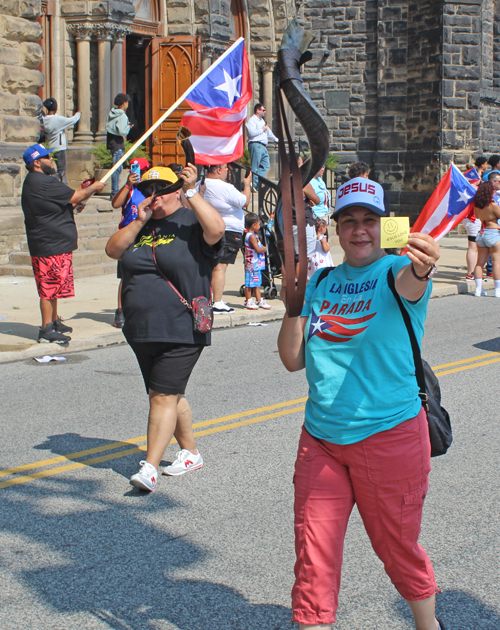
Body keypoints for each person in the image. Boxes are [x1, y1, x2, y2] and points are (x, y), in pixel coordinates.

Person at [277, 177, 444, 630]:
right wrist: (293, 305)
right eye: (348, 220)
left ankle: (428, 625)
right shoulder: (323, 281)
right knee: (313, 555)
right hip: (322, 439)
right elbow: (293, 360)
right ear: (336, 229)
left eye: (369, 219)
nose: (359, 230)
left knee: (396, 548)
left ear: (385, 225)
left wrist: (424, 267)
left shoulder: (394, 272)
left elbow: (413, 282)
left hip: (389, 435)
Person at [105, 164, 225, 492]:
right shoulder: (140, 224)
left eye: (160, 188)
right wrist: (138, 220)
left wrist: (191, 192)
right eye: (148, 189)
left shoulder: (191, 222)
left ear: (174, 191)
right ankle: (190, 452)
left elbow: (217, 229)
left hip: (182, 326)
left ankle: (150, 467)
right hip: (141, 328)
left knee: (161, 395)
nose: (153, 195)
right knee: (168, 393)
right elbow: (113, 250)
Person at [21, 144, 105, 343]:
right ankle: (46, 328)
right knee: (48, 288)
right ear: (37, 162)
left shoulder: (37, 181)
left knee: (55, 286)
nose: (52, 160)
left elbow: (65, 203)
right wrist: (94, 188)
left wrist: (78, 202)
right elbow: (76, 195)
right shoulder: (42, 181)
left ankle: (54, 321)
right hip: (48, 244)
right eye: (47, 157)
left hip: (54, 242)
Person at [196, 163, 252, 314]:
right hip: (228, 230)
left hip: (207, 229)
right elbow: (245, 201)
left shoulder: (198, 186)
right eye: (226, 168)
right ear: (219, 170)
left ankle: (208, 298)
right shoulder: (225, 187)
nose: (228, 171)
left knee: (209, 266)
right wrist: (247, 185)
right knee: (220, 266)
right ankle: (217, 302)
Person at [110, 157, 150, 328]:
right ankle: (120, 311)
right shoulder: (130, 190)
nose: (137, 174)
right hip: (128, 235)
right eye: (134, 170)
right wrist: (127, 185)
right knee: (125, 275)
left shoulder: (150, 189)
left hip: (147, 235)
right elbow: (115, 203)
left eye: (140, 170)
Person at [40, 98, 81, 183]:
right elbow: (72, 120)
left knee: (52, 170)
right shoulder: (57, 119)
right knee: (61, 171)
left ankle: (63, 187)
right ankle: (50, 182)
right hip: (59, 148)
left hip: (49, 147)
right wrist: (78, 114)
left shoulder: (44, 120)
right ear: (55, 108)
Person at [472, 181, 500, 298]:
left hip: (481, 233)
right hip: (493, 232)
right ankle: (498, 290)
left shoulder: (476, 206)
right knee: (496, 263)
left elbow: (477, 216)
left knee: (479, 263)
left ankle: (478, 289)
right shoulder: (493, 205)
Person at [245, 103, 278, 190]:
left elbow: (269, 133)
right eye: (263, 110)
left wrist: (277, 140)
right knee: (255, 166)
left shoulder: (262, 121)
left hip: (263, 146)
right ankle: (253, 184)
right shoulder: (252, 121)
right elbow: (251, 133)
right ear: (257, 110)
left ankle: (255, 182)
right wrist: (262, 130)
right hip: (256, 144)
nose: (265, 112)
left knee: (266, 165)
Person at [106, 93, 133, 198]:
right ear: (124, 103)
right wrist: (129, 127)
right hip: (118, 144)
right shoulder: (122, 116)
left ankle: (115, 191)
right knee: (117, 169)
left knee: (117, 167)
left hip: (111, 142)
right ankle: (115, 192)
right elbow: (122, 132)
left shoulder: (111, 113)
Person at [244, 212, 271, 310]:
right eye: (259, 224)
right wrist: (265, 248)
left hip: (256, 264)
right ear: (254, 225)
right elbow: (258, 249)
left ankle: (259, 300)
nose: (260, 226)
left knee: (256, 283)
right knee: (249, 284)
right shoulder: (251, 236)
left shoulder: (254, 236)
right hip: (252, 264)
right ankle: (248, 300)